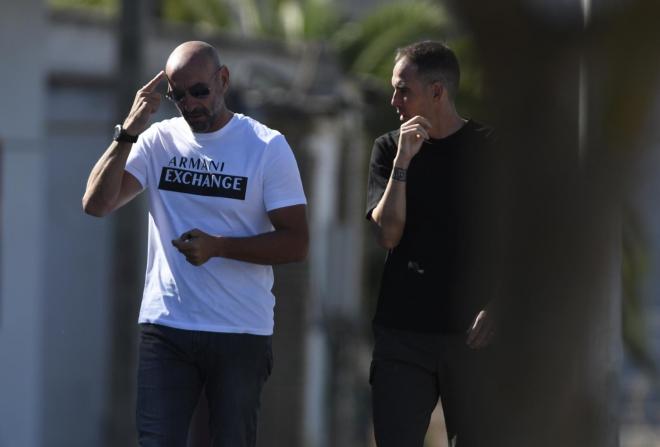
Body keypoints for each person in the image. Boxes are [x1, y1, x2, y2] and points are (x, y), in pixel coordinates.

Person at [82, 41, 308, 447]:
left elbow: (296, 243)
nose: (190, 104)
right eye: (178, 95)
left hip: (239, 329)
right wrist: (130, 131)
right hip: (167, 324)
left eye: (199, 91)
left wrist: (220, 247)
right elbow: (96, 205)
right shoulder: (156, 141)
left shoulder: (266, 147)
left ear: (223, 80)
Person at [365, 40, 498, 446]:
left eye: (403, 89)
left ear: (437, 92)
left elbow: (524, 240)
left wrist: (501, 306)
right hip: (402, 334)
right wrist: (403, 163)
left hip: (473, 337)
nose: (394, 100)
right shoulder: (389, 149)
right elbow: (388, 233)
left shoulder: (490, 150)